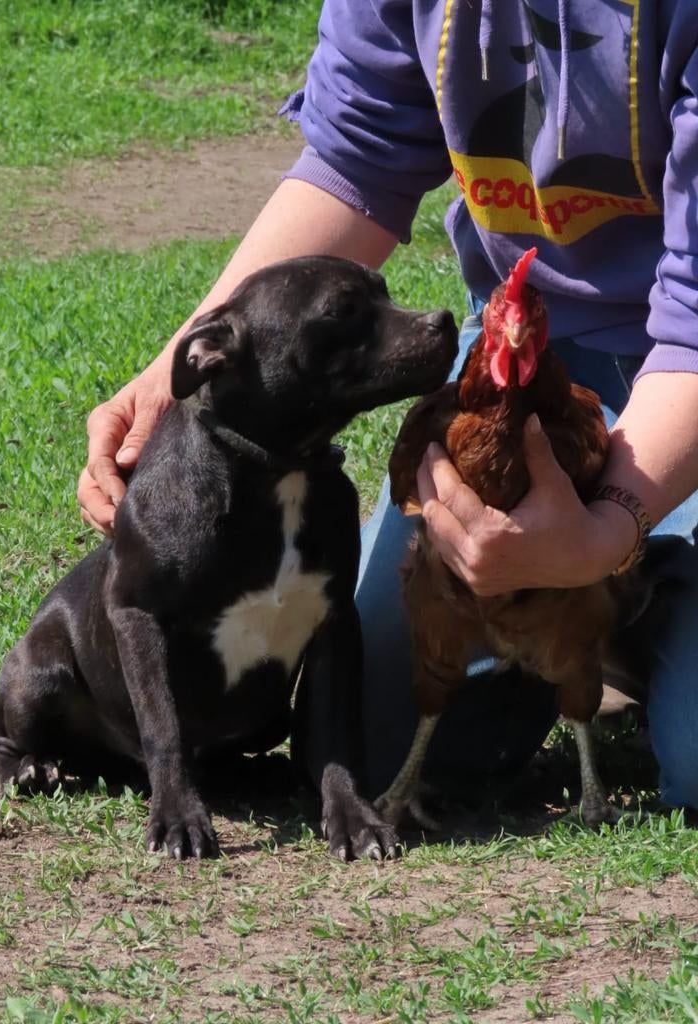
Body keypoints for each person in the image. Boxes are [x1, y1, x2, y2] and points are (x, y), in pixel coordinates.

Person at [78, 1, 698, 808]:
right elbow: (359, 161)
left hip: (677, 367)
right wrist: (177, 369)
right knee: (373, 744)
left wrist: (608, 527)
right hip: (522, 354)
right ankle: (622, 614)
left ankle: (635, 596)